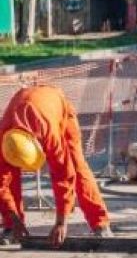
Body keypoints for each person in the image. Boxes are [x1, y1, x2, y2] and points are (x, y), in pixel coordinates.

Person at [0, 86, 112, 247]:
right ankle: (12, 228)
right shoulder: (5, 140)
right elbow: (2, 185)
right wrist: (13, 217)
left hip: (58, 109)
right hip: (31, 105)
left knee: (76, 166)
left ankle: (100, 223)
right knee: (6, 176)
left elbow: (64, 175)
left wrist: (61, 222)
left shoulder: (49, 133)